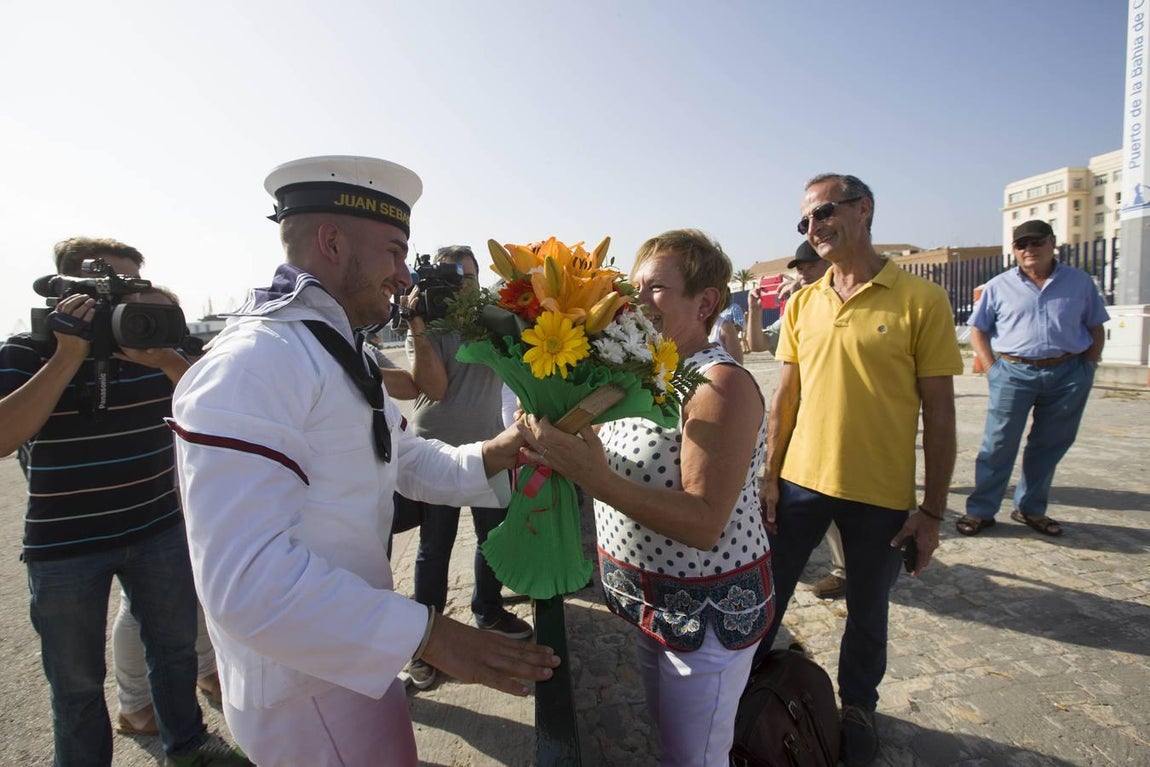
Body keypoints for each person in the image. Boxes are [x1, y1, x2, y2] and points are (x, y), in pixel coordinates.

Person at [168, 155, 559, 767]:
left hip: (349, 654)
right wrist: (427, 633)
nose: (406, 277)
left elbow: (399, 455)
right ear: (331, 241)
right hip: (305, 685)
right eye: (396, 252)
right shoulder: (255, 362)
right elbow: (246, 584)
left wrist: (494, 454)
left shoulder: (331, 344)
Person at [519, 229, 773, 767]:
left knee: (696, 758)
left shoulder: (715, 385)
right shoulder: (640, 375)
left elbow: (705, 522)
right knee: (673, 741)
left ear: (705, 301)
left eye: (654, 288)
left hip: (706, 614)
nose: (634, 301)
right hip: (651, 603)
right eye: (634, 287)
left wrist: (594, 477)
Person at [0, 238, 248, 767]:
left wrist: (164, 360)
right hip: (64, 546)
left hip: (156, 527)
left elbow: (216, 412)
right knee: (75, 685)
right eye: (107, 288)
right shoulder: (28, 348)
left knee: (175, 652)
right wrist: (69, 356)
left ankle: (188, 745)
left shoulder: (148, 343)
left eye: (131, 286)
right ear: (68, 290)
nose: (123, 300)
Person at [756, 174, 962, 767]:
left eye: (822, 213)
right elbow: (785, 397)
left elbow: (940, 416)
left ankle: (858, 707)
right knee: (769, 594)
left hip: (879, 494)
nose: (813, 229)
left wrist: (932, 512)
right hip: (799, 484)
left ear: (864, 209)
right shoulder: (802, 302)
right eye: (804, 223)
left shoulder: (920, 301)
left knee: (868, 611)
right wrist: (770, 476)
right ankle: (745, 687)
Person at [397, 245, 533, 691]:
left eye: (470, 277)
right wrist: (416, 321)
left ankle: (488, 613)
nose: (463, 286)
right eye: (453, 278)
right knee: (435, 547)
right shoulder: (428, 321)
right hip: (434, 448)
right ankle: (425, 640)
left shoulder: (493, 318)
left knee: (493, 538)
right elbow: (433, 388)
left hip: (486, 446)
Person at [957, 220, 1108, 537]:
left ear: (1052, 242)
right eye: (1021, 244)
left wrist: (1087, 368)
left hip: (1068, 373)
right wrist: (993, 368)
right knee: (997, 444)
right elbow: (978, 329)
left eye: (1036, 242)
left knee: (1049, 446)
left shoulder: (1079, 283)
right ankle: (981, 511)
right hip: (1013, 373)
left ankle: (1031, 509)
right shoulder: (999, 286)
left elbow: (1096, 327)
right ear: (1014, 250)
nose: (1029, 249)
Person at [746, 240, 829, 356]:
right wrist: (754, 310)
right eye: (800, 269)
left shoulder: (837, 302)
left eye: (812, 267)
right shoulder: (795, 310)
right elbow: (758, 345)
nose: (805, 274)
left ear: (828, 266)